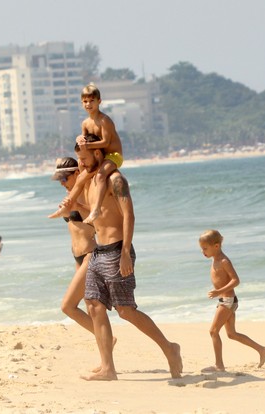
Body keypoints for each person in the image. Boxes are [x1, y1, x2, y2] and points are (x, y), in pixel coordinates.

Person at [76, 135, 182, 381]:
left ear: (99, 154)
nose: (81, 164)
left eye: (84, 159)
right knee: (93, 306)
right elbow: (98, 215)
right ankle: (108, 369)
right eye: (79, 160)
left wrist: (125, 253)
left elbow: (128, 216)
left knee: (125, 310)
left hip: (116, 251)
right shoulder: (92, 183)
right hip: (98, 251)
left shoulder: (115, 180)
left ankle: (169, 348)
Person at [49, 84, 123, 225]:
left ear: (99, 101)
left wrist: (87, 145)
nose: (88, 104)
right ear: (82, 103)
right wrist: (79, 139)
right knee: (81, 176)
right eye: (85, 101)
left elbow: (106, 143)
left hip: (113, 156)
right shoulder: (85, 123)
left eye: (92, 101)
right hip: (97, 155)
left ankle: (95, 209)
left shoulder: (104, 121)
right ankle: (67, 206)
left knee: (100, 175)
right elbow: (83, 145)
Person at [198, 229, 265, 372]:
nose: (203, 252)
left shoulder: (224, 261)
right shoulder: (215, 259)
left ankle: (219, 365)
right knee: (231, 334)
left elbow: (236, 280)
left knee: (213, 331)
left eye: (205, 248)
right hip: (226, 300)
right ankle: (262, 350)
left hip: (228, 300)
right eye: (202, 249)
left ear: (216, 246)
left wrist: (219, 291)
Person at [50, 157, 97, 337]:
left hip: (90, 255)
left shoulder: (88, 193)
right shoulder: (73, 195)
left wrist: (76, 206)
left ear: (77, 173)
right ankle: (106, 351)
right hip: (78, 259)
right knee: (91, 308)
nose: (62, 184)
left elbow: (98, 218)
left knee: (68, 306)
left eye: (64, 179)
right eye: (59, 180)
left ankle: (106, 337)